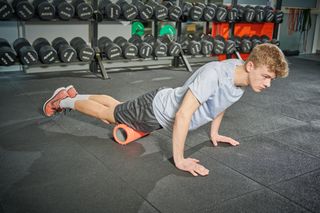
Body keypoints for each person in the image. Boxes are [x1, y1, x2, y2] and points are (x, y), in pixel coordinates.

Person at [43, 43, 289, 177]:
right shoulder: (215, 74)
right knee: (107, 115)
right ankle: (61, 101)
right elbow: (183, 115)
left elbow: (222, 103)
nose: (268, 83)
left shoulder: (240, 77)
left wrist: (214, 133)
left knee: (117, 108)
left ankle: (73, 95)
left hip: (156, 106)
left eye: (272, 79)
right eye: (266, 76)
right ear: (250, 65)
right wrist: (179, 160)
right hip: (153, 112)